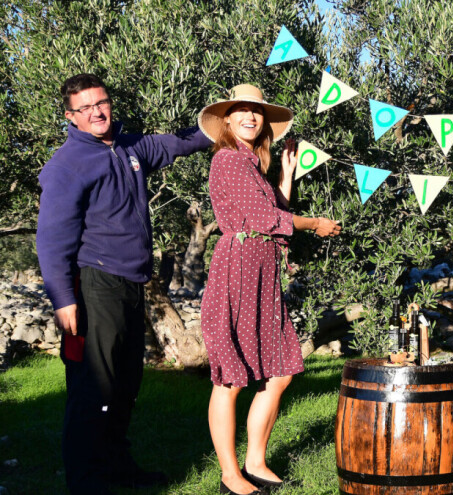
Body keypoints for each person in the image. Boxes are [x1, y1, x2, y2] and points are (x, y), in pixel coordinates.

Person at [36, 73, 213, 495]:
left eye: (102, 102)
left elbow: (181, 142)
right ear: (71, 116)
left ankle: (117, 466)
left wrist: (227, 122)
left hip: (132, 283)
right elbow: (51, 238)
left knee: (126, 382)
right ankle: (86, 481)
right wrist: (63, 299)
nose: (97, 112)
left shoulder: (130, 146)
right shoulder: (66, 166)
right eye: (85, 107)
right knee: (93, 386)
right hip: (95, 284)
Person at [197, 84, 341, 495]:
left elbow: (272, 212)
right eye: (241, 111)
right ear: (226, 119)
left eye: (256, 112)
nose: (251, 117)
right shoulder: (227, 160)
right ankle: (229, 476)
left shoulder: (250, 165)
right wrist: (314, 223)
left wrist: (285, 176)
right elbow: (264, 218)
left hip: (262, 274)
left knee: (278, 373)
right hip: (237, 273)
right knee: (231, 379)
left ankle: (255, 463)